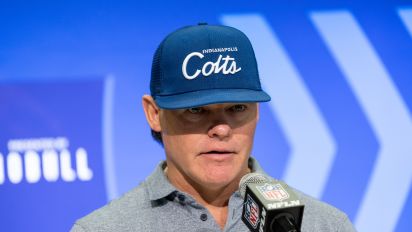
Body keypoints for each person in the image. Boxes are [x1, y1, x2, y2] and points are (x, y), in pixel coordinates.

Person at [71, 23, 356, 232]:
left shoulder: (326, 225)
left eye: (237, 108)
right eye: (196, 110)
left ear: (257, 113)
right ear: (154, 113)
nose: (221, 129)